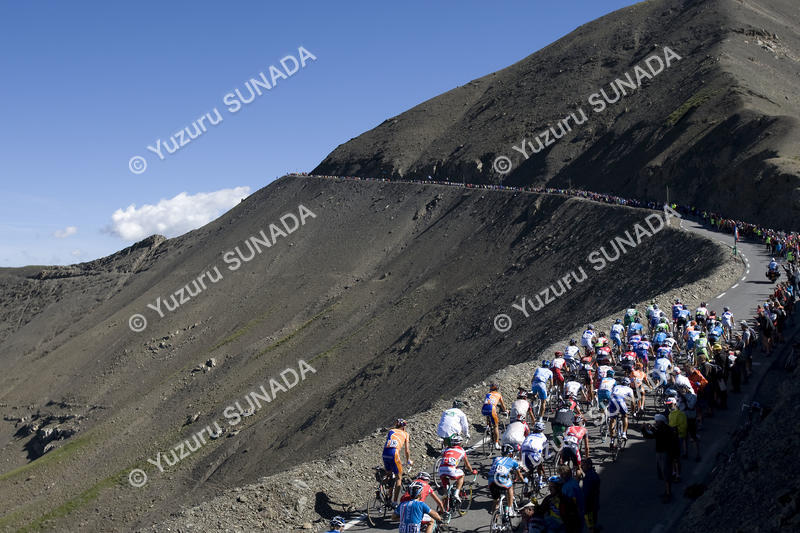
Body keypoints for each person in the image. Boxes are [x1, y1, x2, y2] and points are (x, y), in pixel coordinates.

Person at [642, 414, 679, 503]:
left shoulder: (666, 430)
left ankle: (668, 493)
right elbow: (650, 436)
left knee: (666, 473)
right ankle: (667, 492)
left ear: (661, 422)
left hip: (665, 453)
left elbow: (658, 435)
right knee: (663, 473)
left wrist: (650, 429)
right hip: (660, 453)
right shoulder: (662, 429)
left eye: (657, 422)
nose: (655, 423)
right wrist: (644, 429)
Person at [436, 434, 476, 511]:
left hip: (441, 470)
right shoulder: (461, 450)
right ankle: (456, 493)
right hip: (451, 470)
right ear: (460, 443)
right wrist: (472, 471)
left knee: (446, 488)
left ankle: (445, 503)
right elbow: (467, 464)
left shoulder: (446, 449)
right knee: (462, 475)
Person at [488, 444, 527, 519]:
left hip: (491, 480)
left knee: (496, 501)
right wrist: (523, 481)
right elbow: (519, 474)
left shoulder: (496, 458)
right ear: (510, 453)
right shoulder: (513, 461)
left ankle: (494, 521)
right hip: (500, 479)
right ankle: (509, 509)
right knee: (510, 487)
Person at [383, 419, 413, 504]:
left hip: (385, 453)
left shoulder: (391, 431)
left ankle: (384, 491)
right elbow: (407, 451)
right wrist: (408, 460)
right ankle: (395, 502)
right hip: (394, 454)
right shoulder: (406, 434)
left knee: (389, 474)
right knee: (399, 477)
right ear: (403, 427)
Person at [521, 420, 549, 489]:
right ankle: (540, 482)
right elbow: (545, 452)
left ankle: (525, 487)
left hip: (524, 453)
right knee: (540, 466)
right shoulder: (543, 437)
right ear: (542, 430)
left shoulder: (529, 435)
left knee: (528, 471)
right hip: (534, 454)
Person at [559, 464, 586, 533]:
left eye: (560, 474)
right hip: (581, 512)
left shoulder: (566, 487)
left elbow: (570, 503)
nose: (560, 476)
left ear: (563, 475)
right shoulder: (574, 481)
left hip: (574, 516)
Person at [666, 398, 686, 482]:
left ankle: (678, 475)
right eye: (668, 404)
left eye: (670, 404)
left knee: (676, 458)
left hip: (678, 437)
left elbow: (682, 427)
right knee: (672, 457)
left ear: (674, 404)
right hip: (672, 437)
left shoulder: (680, 414)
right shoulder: (671, 413)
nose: (668, 406)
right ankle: (674, 472)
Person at [482, 383, 507, 450]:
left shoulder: (488, 394)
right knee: (496, 426)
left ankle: (488, 426)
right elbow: (503, 406)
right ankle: (496, 443)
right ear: (497, 389)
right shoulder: (499, 395)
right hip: (492, 409)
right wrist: (505, 411)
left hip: (484, 408)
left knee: (488, 415)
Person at [581, 458, 601, 533]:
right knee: (593, 522)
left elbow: (586, 493)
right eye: (581, 465)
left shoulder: (589, 478)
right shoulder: (593, 474)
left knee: (590, 525)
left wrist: (584, 506)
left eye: (583, 465)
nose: (582, 467)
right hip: (594, 504)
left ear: (589, 466)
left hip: (590, 505)